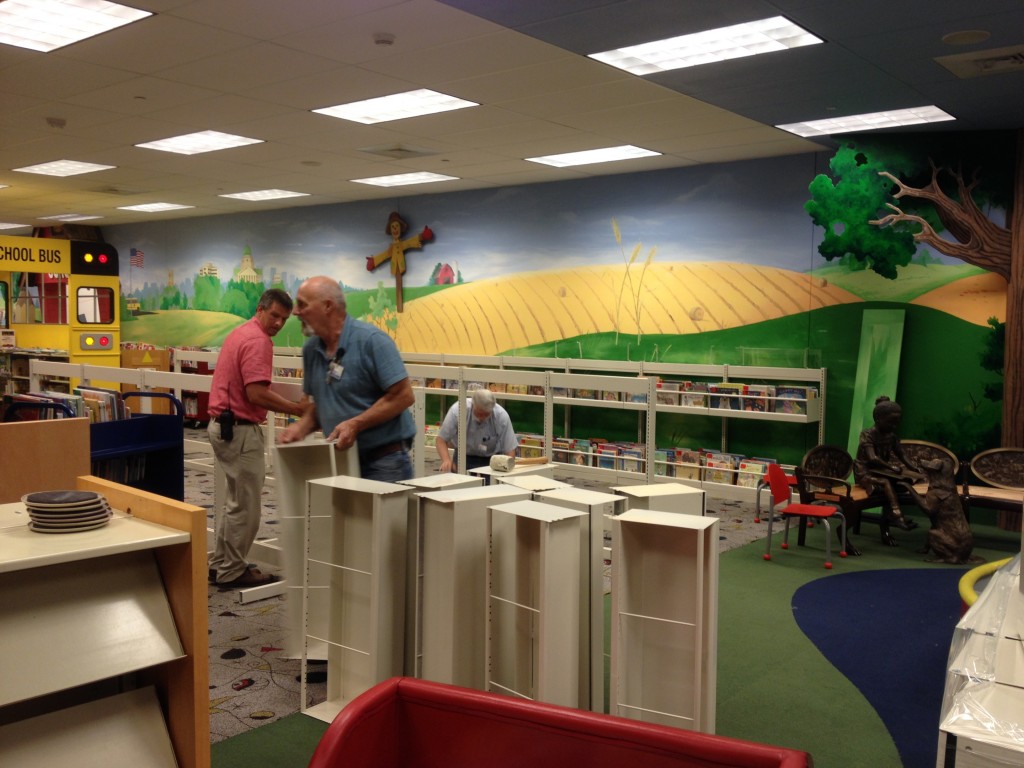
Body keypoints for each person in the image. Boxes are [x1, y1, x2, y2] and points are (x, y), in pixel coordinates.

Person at [208, 288, 306, 587]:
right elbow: (256, 393)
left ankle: (221, 563)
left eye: (284, 319)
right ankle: (232, 571)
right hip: (239, 430)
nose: (278, 323)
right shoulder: (258, 341)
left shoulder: (241, 332)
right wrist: (297, 410)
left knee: (235, 502)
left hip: (223, 426)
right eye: (274, 315)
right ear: (261, 309)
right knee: (247, 506)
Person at [279, 275, 415, 482]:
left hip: (384, 464)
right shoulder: (310, 349)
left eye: (302, 305)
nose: (296, 312)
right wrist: (301, 427)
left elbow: (404, 396)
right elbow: (319, 405)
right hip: (339, 461)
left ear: (327, 306)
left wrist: (356, 424)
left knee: (381, 516)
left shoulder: (372, 341)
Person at [853, 395, 923, 532]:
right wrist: (891, 467)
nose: (894, 426)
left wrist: (913, 467)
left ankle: (888, 520)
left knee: (901, 483)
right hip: (865, 471)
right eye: (891, 422)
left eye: (896, 423)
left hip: (881, 471)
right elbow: (872, 458)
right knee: (886, 483)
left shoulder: (891, 436)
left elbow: (901, 454)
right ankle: (898, 516)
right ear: (878, 419)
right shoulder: (867, 435)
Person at [435, 387, 518, 472]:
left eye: (486, 415)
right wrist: (446, 460)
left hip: (492, 461)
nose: (482, 418)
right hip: (462, 457)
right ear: (473, 404)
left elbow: (510, 449)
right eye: (479, 413)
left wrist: (508, 468)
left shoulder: (501, 416)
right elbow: (441, 440)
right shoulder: (458, 410)